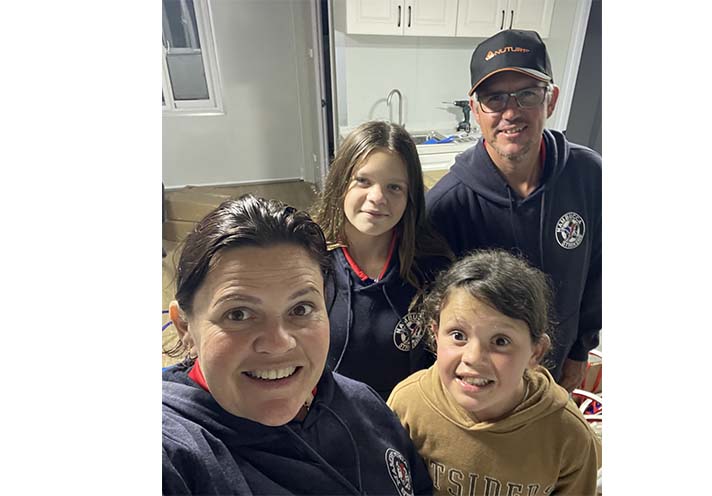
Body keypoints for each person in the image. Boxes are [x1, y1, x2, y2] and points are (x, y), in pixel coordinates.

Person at [162, 194, 433, 495]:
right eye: (238, 314)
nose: (279, 343)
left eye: (301, 309)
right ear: (184, 326)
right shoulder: (173, 453)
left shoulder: (363, 405)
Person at [425, 29, 601, 392]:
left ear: (551, 100)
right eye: (494, 98)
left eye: (527, 95)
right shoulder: (446, 207)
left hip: (557, 372)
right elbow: (436, 314)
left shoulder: (590, 176)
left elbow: (599, 270)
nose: (510, 112)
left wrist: (581, 349)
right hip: (480, 382)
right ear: (475, 110)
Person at [388, 249, 601, 496]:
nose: (473, 358)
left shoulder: (568, 435)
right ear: (435, 336)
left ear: (536, 352)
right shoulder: (408, 405)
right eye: (458, 335)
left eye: (500, 341)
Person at [312, 121, 453, 399]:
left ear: (411, 196)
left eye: (394, 187)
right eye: (363, 181)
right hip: (327, 414)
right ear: (341, 183)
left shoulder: (432, 266)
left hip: (405, 415)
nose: (377, 197)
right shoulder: (311, 261)